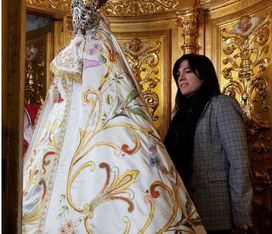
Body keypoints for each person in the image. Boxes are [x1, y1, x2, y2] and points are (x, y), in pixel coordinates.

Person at [22, 1, 206, 233]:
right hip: (78, 130)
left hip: (109, 132)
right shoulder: (78, 53)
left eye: (187, 72)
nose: (181, 77)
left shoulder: (99, 48)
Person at [164, 54, 253, 234]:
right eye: (178, 73)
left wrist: (242, 214)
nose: (180, 77)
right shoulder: (180, 116)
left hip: (216, 211)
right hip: (183, 209)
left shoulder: (221, 105)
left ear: (203, 75)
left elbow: (239, 162)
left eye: (188, 71)